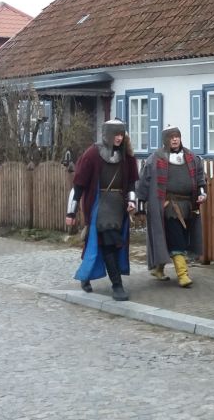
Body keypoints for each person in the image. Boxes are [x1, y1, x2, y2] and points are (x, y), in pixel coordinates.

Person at [66, 119, 139, 301]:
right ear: (107, 134)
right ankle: (117, 285)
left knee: (98, 244)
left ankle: (86, 275)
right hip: (99, 206)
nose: (119, 138)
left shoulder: (127, 157)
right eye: (116, 134)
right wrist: (71, 212)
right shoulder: (92, 154)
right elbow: (79, 185)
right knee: (108, 243)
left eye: (122, 134)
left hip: (118, 207)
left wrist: (131, 201)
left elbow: (131, 183)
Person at [136, 126, 207, 287]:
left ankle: (158, 269)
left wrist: (203, 193)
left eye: (177, 136)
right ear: (165, 140)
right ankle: (183, 275)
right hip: (167, 206)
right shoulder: (156, 158)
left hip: (188, 206)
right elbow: (144, 182)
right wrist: (140, 204)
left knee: (174, 238)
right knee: (177, 239)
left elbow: (201, 179)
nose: (175, 139)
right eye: (171, 137)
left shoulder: (191, 157)